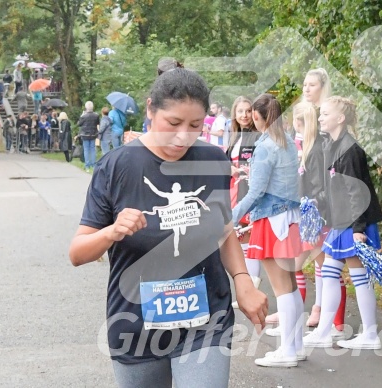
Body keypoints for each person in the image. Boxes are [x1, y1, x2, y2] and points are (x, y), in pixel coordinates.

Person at [68, 68, 267, 387]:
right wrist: (112, 231)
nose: (182, 136)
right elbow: (77, 253)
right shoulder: (116, 166)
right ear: (150, 109)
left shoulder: (213, 160)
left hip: (206, 321)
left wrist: (242, 281)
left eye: (195, 126)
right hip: (135, 324)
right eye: (173, 123)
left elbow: (224, 228)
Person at [303, 96, 382, 350]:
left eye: (325, 114)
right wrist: (316, 204)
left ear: (340, 118)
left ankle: (370, 334)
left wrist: (359, 230)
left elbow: (356, 193)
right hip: (340, 223)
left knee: (359, 277)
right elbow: (333, 189)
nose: (320, 118)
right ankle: (324, 332)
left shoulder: (350, 149)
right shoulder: (331, 146)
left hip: (353, 224)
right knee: (328, 274)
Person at [232, 93, 303, 367]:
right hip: (288, 217)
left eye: (253, 115)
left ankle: (287, 352)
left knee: (281, 288)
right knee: (291, 286)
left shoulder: (265, 146)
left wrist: (232, 218)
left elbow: (256, 192)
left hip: (272, 219)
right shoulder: (286, 142)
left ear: (259, 117)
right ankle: (295, 347)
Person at [265, 101, 347, 336]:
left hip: (316, 216)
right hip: (310, 214)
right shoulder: (308, 147)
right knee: (314, 267)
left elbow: (322, 185)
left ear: (300, 123)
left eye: (294, 122)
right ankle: (301, 323)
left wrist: (310, 205)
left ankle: (333, 324)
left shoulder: (317, 148)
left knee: (319, 268)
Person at [225, 96, 263, 308]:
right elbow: (228, 161)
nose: (245, 115)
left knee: (250, 237)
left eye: (248, 111)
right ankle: (247, 289)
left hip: (249, 190)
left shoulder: (257, 137)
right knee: (240, 239)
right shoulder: (234, 136)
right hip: (235, 190)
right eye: (240, 111)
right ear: (235, 114)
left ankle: (252, 290)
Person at [77, 101, 100, 171]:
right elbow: (98, 123)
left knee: (86, 149)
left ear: (86, 107)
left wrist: (81, 116)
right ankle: (93, 164)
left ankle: (87, 165)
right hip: (93, 134)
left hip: (85, 134)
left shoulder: (83, 116)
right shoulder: (96, 115)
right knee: (93, 149)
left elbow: (79, 124)